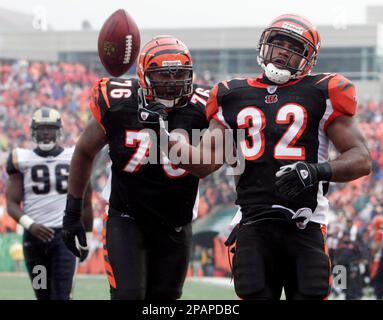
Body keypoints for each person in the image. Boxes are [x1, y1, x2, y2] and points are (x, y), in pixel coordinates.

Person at [141, 14, 372, 300]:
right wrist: (162, 136)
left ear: (308, 59)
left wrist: (316, 171)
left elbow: (362, 158)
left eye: (293, 48)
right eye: (278, 44)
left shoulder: (322, 92)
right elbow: (204, 163)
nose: (283, 53)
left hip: (306, 222)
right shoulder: (232, 95)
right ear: (264, 46)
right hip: (253, 224)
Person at [62, 35, 211, 300]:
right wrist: (74, 210)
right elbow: (84, 151)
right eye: (163, 75)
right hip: (127, 219)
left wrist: (162, 135)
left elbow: (207, 164)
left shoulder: (204, 107)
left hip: (176, 223)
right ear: (144, 76)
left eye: (179, 74)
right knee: (128, 295)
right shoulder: (120, 103)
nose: (173, 82)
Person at [6, 107, 93, 300]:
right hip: (34, 239)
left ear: (59, 130)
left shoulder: (74, 156)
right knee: (42, 294)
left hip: (65, 237)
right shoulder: (21, 159)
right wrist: (31, 225)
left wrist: (87, 238)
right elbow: (11, 203)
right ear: (33, 131)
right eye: (41, 128)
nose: (46, 132)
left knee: (62, 296)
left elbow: (86, 202)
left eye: (51, 128)